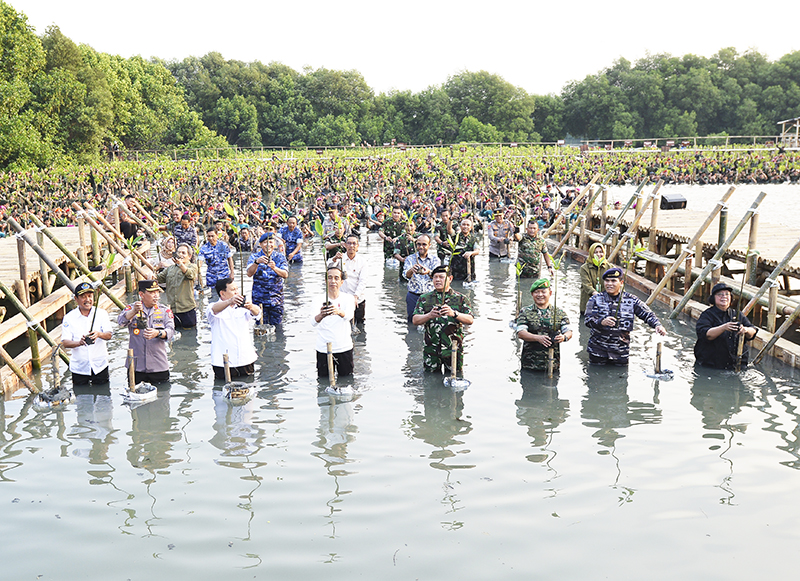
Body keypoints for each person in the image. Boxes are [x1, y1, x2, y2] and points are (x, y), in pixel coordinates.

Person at [584, 267, 667, 365]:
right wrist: (601, 322)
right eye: (607, 281)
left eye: (613, 281)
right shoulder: (595, 299)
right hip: (598, 351)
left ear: (621, 282)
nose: (609, 284)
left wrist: (657, 325)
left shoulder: (631, 300)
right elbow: (588, 320)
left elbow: (647, 314)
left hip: (620, 352)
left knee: (621, 378)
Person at [412, 265, 474, 373]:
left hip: (453, 350)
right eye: (435, 277)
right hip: (431, 349)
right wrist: (429, 315)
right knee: (430, 381)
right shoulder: (424, 298)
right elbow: (415, 320)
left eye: (441, 277)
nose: (437, 280)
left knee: (455, 379)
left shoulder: (461, 299)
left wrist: (454, 314)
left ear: (450, 279)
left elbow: (470, 320)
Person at [118, 280, 175, 384]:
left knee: (162, 396)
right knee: (134, 396)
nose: (156, 296)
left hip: (158, 365)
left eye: (157, 292)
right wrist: (133, 311)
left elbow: (171, 331)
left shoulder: (164, 310)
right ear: (141, 294)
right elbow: (121, 322)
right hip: (136, 366)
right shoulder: (132, 308)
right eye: (152, 292)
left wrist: (158, 333)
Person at [207, 278, 261, 380]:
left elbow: (258, 313)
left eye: (237, 289)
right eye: (233, 290)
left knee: (248, 389)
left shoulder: (243, 307)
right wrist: (230, 301)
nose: (237, 292)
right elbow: (213, 310)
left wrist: (250, 307)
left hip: (245, 358)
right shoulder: (213, 307)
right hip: (222, 362)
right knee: (224, 391)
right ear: (222, 294)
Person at [694, 282, 758, 369]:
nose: (724, 296)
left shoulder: (738, 314)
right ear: (713, 298)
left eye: (727, 294)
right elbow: (706, 334)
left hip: (736, 366)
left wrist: (746, 330)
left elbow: (753, 331)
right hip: (710, 366)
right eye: (720, 294)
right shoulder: (707, 315)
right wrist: (724, 327)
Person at [515, 278, 572, 371]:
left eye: (543, 292)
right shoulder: (525, 312)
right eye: (537, 292)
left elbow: (569, 331)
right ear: (532, 294)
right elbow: (521, 333)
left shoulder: (559, 312)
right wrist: (537, 338)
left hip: (553, 364)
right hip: (530, 364)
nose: (540, 295)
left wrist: (563, 337)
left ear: (550, 293)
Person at [61, 282, 112, 385]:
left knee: (104, 397)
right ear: (76, 299)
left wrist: (99, 334)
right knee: (81, 398)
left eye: (90, 296)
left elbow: (109, 335)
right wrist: (79, 343)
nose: (87, 300)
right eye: (83, 297)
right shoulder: (69, 318)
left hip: (100, 365)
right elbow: (65, 343)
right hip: (79, 368)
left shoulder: (101, 314)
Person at [312, 266, 356, 377]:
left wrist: (338, 311)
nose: (333, 281)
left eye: (336, 278)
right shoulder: (318, 299)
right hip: (323, 348)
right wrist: (321, 315)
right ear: (326, 280)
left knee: (347, 381)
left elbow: (349, 315)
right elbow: (312, 322)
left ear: (342, 282)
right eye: (330, 278)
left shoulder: (348, 298)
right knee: (323, 382)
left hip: (344, 347)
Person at [247, 232, 289, 326]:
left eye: (270, 242)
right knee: (260, 326)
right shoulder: (254, 257)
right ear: (260, 244)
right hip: (259, 299)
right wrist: (256, 263)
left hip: (276, 299)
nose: (268, 245)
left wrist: (274, 268)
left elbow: (285, 274)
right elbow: (249, 274)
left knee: (278, 327)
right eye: (265, 242)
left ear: (273, 244)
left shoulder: (280, 257)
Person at [156, 243, 199, 328]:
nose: (180, 255)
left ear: (189, 256)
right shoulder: (170, 269)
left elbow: (191, 274)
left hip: (187, 310)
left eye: (183, 253)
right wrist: (154, 272)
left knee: (190, 335)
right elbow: (158, 279)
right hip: (172, 310)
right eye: (179, 252)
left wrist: (180, 264)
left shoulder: (193, 266)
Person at [403, 234, 440, 324]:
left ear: (429, 245)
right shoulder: (410, 259)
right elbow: (405, 276)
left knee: (431, 322)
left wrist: (428, 272)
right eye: (419, 244)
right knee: (412, 321)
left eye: (424, 244)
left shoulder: (435, 260)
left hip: (430, 296)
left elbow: (438, 277)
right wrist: (411, 270)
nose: (421, 247)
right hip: (413, 295)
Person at [333, 234, 367, 327]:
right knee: (342, 324)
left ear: (357, 246)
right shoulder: (340, 259)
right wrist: (334, 259)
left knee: (360, 325)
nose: (351, 246)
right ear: (345, 245)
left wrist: (356, 296)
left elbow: (363, 281)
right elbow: (329, 270)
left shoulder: (362, 261)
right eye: (349, 243)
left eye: (354, 243)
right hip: (342, 298)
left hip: (358, 300)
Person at [198, 228, 234, 295]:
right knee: (214, 298)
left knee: (226, 295)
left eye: (212, 236)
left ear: (217, 235)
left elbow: (230, 259)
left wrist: (232, 272)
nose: (211, 238)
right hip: (211, 277)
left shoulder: (224, 246)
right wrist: (197, 272)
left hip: (224, 276)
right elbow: (200, 261)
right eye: (209, 236)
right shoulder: (204, 248)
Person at [579, 242, 609, 314]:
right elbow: (587, 285)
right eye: (595, 252)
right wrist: (598, 295)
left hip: (605, 305)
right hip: (588, 304)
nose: (599, 255)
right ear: (591, 254)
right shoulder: (584, 268)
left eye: (601, 252)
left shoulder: (609, 267)